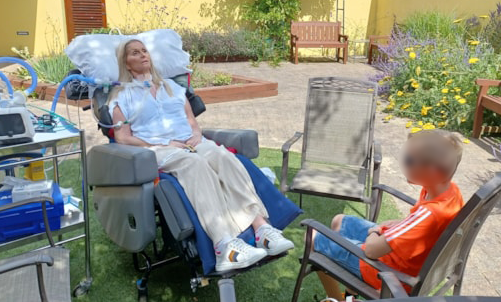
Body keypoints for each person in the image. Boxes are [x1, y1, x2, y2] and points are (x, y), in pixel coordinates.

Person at [107, 39, 294, 272]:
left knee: (223, 157)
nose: (143, 55)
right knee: (194, 164)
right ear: (125, 62)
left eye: (145, 50)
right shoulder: (121, 95)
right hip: (156, 148)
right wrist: (163, 142)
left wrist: (196, 134)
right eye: (135, 53)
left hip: (191, 141)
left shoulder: (171, 87)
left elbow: (191, 121)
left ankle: (261, 229)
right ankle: (224, 244)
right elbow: (123, 137)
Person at [310, 129, 464, 299]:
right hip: (405, 258)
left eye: (410, 160)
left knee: (312, 237)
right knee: (339, 222)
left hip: (389, 273)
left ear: (432, 172)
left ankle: (338, 299)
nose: (405, 163)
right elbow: (424, 229)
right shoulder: (449, 193)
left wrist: (376, 231)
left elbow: (371, 250)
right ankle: (350, 295)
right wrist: (400, 224)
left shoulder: (429, 215)